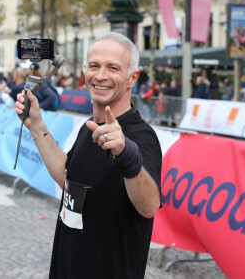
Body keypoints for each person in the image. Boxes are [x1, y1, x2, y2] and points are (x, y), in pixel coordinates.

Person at [15, 32, 162, 279]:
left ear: (131, 78)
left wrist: (127, 155)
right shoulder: (88, 128)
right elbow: (67, 177)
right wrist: (36, 126)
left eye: (113, 68)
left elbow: (149, 207)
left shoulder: (141, 137)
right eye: (94, 66)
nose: (100, 75)